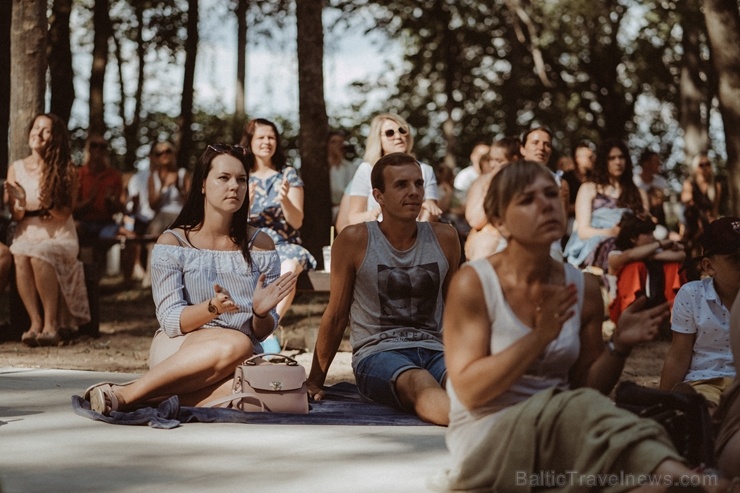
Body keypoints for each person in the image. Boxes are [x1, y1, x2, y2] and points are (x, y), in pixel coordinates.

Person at [439, 159, 728, 492]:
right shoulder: (473, 283)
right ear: (501, 221)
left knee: (644, 486)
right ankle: (689, 478)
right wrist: (539, 336)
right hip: (488, 435)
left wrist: (619, 345)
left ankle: (669, 480)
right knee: (576, 408)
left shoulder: (585, 289)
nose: (546, 204)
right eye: (527, 199)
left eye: (551, 195)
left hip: (562, 432)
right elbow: (470, 393)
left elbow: (587, 388)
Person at [82, 143, 298, 415]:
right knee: (240, 347)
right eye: (224, 178)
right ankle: (126, 395)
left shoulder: (261, 244)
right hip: (180, 348)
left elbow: (263, 331)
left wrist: (259, 313)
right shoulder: (173, 242)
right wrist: (213, 308)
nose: (235, 186)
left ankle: (145, 396)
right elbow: (171, 321)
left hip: (238, 359)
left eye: (242, 179)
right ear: (203, 185)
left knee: (277, 388)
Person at [307, 152, 461, 425]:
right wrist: (314, 382)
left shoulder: (445, 237)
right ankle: (483, 433)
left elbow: (457, 310)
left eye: (418, 184)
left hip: (436, 351)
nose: (413, 192)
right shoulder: (355, 240)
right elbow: (337, 314)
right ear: (378, 196)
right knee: (420, 380)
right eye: (401, 185)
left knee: (468, 384)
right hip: (378, 355)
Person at [4, 113, 90, 347]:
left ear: (55, 138)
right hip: (27, 230)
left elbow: (65, 213)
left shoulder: (66, 170)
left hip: (58, 233)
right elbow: (16, 215)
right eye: (36, 128)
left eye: (46, 130)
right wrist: (20, 200)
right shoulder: (16, 167)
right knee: (20, 253)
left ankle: (51, 325)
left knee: (40, 253)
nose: (38, 133)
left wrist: (46, 201)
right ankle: (35, 323)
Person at [241, 118, 316, 353]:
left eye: (271, 137)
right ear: (250, 141)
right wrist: (248, 204)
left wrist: (284, 199)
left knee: (291, 265)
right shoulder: (241, 174)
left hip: (285, 244)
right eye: (261, 137)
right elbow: (230, 222)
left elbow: (297, 221)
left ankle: (267, 329)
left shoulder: (288, 174)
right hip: (250, 245)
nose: (267, 142)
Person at [660, 217, 740, 412]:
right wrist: (661, 402)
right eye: (736, 259)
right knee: (704, 412)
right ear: (708, 266)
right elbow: (678, 356)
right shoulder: (692, 295)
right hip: (704, 384)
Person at [563, 138, 648, 268]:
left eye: (621, 157)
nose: (618, 162)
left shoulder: (638, 193)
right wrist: (612, 232)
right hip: (601, 244)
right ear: (603, 161)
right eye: (611, 158)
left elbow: (645, 227)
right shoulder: (589, 188)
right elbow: (583, 232)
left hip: (634, 244)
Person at [346, 113, 441, 225]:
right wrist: (373, 215)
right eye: (390, 133)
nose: (398, 136)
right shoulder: (366, 169)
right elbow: (353, 218)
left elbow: (432, 211)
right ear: (378, 139)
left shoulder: (426, 170)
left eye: (402, 130)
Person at [606, 212, 685, 324]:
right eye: (648, 234)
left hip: (655, 305)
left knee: (672, 266)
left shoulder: (651, 252)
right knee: (636, 266)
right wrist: (659, 244)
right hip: (623, 311)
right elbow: (630, 255)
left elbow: (681, 255)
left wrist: (650, 255)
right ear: (633, 238)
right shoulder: (615, 254)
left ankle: (675, 317)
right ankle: (630, 323)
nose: (652, 237)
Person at [463, 136, 520, 261]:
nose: (493, 165)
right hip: (486, 240)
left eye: (499, 161)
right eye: (491, 160)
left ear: (514, 161)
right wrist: (490, 187)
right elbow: (475, 221)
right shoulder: (481, 182)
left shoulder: (526, 184)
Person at [74, 135, 125, 260]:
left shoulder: (114, 176)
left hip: (106, 222)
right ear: (88, 149)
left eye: (102, 146)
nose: (98, 149)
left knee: (108, 237)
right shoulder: (79, 174)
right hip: (84, 221)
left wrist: (110, 202)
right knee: (76, 229)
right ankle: (86, 269)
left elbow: (120, 209)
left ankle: (99, 271)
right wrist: (90, 201)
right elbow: (73, 208)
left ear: (106, 150)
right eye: (94, 145)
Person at [682, 153, 723, 258]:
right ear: (695, 168)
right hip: (692, 219)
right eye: (701, 165)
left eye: (707, 164)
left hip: (707, 221)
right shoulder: (689, 183)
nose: (705, 167)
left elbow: (715, 209)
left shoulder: (716, 186)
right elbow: (687, 203)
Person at [561, 141, 594, 231]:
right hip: (571, 223)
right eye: (589, 158)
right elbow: (562, 206)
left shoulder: (594, 178)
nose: (593, 160)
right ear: (577, 159)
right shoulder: (566, 179)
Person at [327, 131, 358, 225]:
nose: (338, 145)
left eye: (340, 142)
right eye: (334, 142)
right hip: (327, 215)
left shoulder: (352, 168)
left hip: (347, 214)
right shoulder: (322, 170)